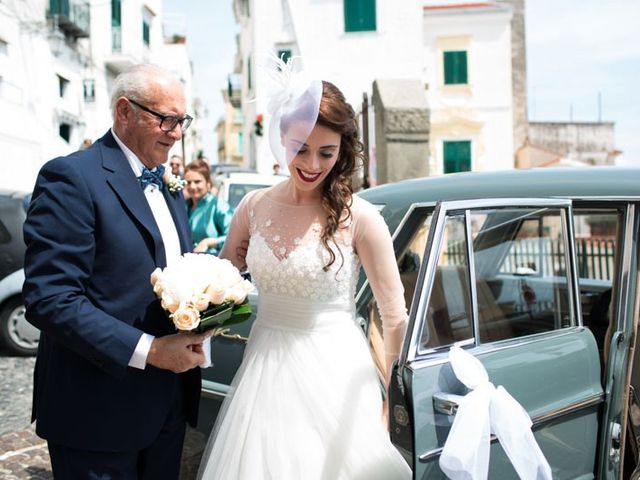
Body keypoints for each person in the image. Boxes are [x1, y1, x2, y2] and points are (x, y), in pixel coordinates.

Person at [197, 75, 411, 478]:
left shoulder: (359, 217)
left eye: (326, 153)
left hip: (335, 375)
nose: (312, 165)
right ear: (282, 140)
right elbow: (222, 285)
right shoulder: (253, 206)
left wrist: (391, 402)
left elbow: (394, 313)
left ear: (342, 151)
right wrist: (195, 326)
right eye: (301, 149)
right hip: (262, 372)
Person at [22, 64, 211, 480]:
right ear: (124, 112)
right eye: (165, 119)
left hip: (166, 406)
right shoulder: (71, 177)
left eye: (182, 120)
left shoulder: (169, 186)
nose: (176, 132)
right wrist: (151, 351)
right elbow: (50, 298)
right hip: (97, 411)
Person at [184, 159, 233, 255]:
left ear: (208, 183)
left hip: (213, 261)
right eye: (188, 182)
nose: (192, 186)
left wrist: (209, 242)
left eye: (197, 182)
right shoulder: (184, 206)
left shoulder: (218, 205)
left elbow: (233, 237)